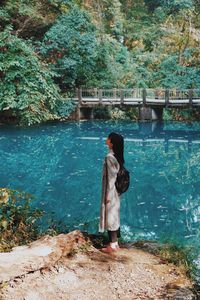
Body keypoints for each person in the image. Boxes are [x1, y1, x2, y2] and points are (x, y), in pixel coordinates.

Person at [99, 132, 124, 253]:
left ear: (112, 142)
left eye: (108, 138)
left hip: (111, 191)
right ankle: (115, 243)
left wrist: (108, 195)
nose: (106, 139)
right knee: (114, 215)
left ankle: (113, 246)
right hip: (116, 191)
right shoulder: (117, 156)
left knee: (111, 216)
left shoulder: (110, 157)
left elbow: (111, 178)